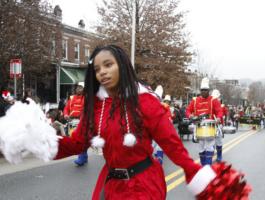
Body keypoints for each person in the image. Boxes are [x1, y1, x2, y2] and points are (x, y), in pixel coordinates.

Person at [0, 45, 250, 199]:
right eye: (98, 69)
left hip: (143, 185)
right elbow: (76, 144)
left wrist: (203, 178)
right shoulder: (95, 105)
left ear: (123, 66)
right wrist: (35, 141)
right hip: (111, 185)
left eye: (108, 65)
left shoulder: (146, 103)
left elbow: (173, 146)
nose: (103, 72)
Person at [186, 79, 223, 165]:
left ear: (208, 91)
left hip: (210, 125)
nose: (204, 92)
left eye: (205, 90)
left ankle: (208, 167)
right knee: (201, 148)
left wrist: (218, 118)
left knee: (209, 146)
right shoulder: (195, 100)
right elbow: (188, 110)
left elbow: (219, 111)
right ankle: (204, 166)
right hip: (199, 125)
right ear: (200, 91)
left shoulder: (213, 100)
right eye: (202, 90)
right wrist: (190, 116)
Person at [63, 82, 86, 166]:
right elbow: (66, 108)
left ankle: (82, 157)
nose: (78, 89)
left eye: (81, 88)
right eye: (77, 87)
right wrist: (65, 114)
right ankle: (84, 156)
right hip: (72, 121)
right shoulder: (72, 98)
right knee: (76, 139)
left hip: (82, 121)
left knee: (80, 139)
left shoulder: (86, 98)